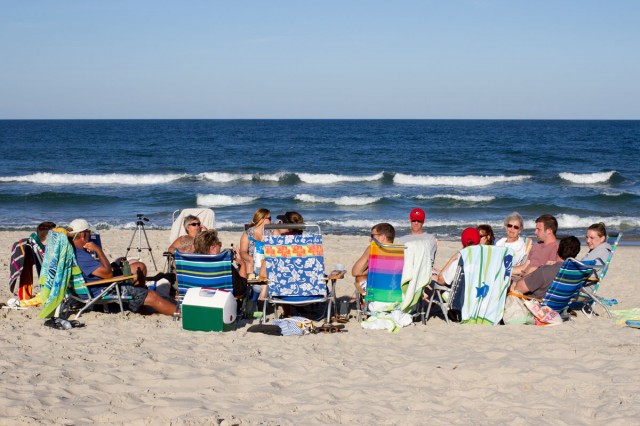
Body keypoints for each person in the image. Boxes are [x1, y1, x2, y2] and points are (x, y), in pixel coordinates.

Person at [67, 219, 176, 316]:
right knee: (152, 296)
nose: (90, 235)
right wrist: (98, 250)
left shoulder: (73, 251)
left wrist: (114, 263)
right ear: (83, 235)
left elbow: (98, 270)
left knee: (139, 267)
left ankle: (139, 304)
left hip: (96, 284)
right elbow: (108, 274)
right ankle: (181, 314)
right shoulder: (81, 255)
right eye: (88, 232)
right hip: (102, 290)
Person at [510, 236, 581, 299]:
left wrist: (534, 271)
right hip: (559, 305)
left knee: (511, 285)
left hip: (537, 305)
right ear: (576, 253)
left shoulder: (545, 270)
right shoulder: (577, 273)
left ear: (558, 248)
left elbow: (518, 289)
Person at [193, 230, 248, 297]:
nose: (221, 247)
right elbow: (241, 290)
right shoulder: (224, 266)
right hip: (220, 305)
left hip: (195, 304)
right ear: (212, 248)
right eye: (219, 244)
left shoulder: (190, 266)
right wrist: (242, 264)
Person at [352, 223, 396, 292]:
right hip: (396, 292)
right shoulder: (401, 250)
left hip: (377, 293)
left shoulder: (372, 250)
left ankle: (364, 302)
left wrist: (367, 271)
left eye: (373, 236)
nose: (370, 239)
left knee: (360, 278)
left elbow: (355, 272)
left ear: (382, 237)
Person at [239, 208, 272, 276]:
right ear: (261, 219)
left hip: (268, 261)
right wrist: (251, 259)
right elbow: (243, 251)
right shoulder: (247, 233)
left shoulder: (273, 232)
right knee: (249, 264)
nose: (271, 220)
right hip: (253, 263)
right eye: (269, 218)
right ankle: (252, 285)